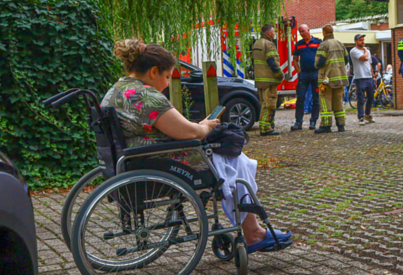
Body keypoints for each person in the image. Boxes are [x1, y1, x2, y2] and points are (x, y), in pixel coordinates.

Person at [105, 39, 292, 251]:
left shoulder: (117, 89)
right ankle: (254, 233)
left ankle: (253, 230)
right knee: (235, 158)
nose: (167, 83)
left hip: (133, 159)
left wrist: (198, 126)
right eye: (167, 77)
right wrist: (205, 126)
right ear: (153, 71)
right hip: (159, 161)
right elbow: (190, 132)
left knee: (230, 156)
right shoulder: (145, 96)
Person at [313, 25, 348, 133]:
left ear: (324, 32)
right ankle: (341, 125)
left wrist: (317, 66)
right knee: (338, 102)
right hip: (340, 78)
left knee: (325, 101)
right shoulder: (340, 43)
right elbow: (346, 59)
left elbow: (320, 62)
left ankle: (326, 125)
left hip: (327, 79)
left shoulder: (324, 45)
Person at [250, 24, 283, 136]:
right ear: (269, 33)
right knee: (269, 104)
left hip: (260, 80)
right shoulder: (269, 44)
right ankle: (265, 128)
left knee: (263, 103)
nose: (274, 34)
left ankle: (270, 124)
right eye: (273, 32)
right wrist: (280, 75)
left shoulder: (257, 43)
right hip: (269, 80)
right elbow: (272, 62)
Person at [290, 23, 321, 131]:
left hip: (315, 74)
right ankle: (298, 122)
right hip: (304, 74)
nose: (302, 33)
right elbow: (294, 59)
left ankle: (313, 121)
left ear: (308, 30)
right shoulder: (299, 44)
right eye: (300, 32)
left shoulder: (318, 42)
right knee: (300, 98)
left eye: (303, 31)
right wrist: (298, 71)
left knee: (316, 99)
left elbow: (323, 57)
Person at [349, 34, 375, 124]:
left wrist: (373, 75)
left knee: (371, 97)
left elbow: (369, 63)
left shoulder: (367, 50)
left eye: (363, 40)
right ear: (356, 41)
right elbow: (364, 58)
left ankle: (367, 114)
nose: (362, 42)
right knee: (361, 98)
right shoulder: (354, 51)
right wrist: (365, 50)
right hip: (360, 77)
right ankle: (361, 117)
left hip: (369, 77)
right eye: (360, 40)